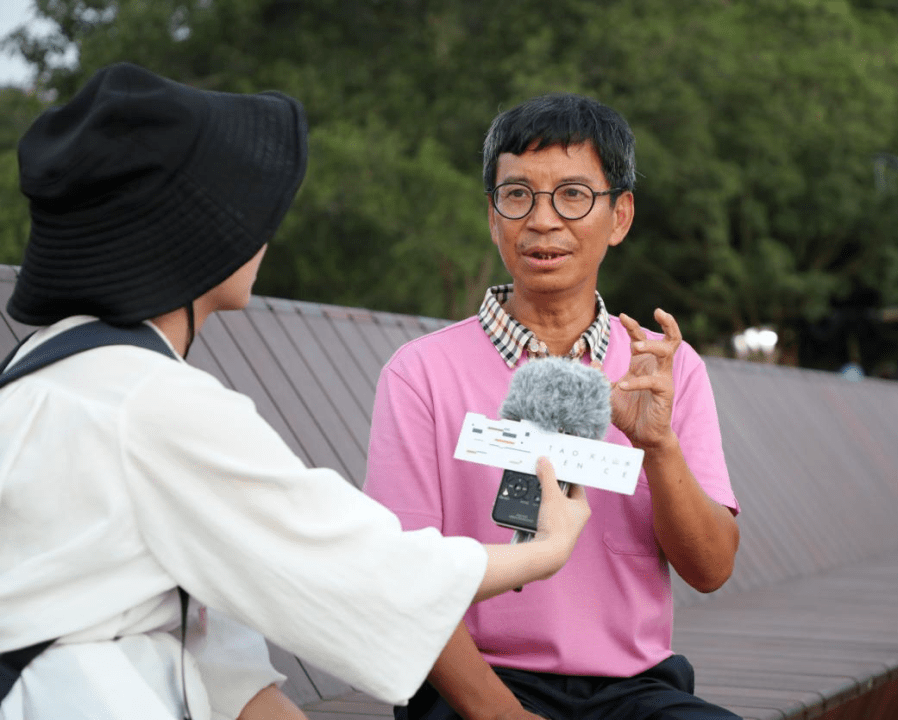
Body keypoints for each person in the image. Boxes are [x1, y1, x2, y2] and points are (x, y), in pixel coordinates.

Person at [0, 63, 590, 720]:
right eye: (245, 209)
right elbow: (362, 569)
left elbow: (214, 645)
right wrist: (545, 551)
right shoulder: (154, 404)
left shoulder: (52, 365)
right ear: (195, 237)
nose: (264, 230)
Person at [363, 93, 741, 719]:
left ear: (619, 216)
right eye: (517, 195)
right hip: (473, 686)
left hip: (635, 692)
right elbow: (403, 581)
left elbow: (710, 569)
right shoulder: (421, 374)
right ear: (493, 215)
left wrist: (659, 447)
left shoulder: (665, 371)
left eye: (572, 195)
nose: (543, 221)